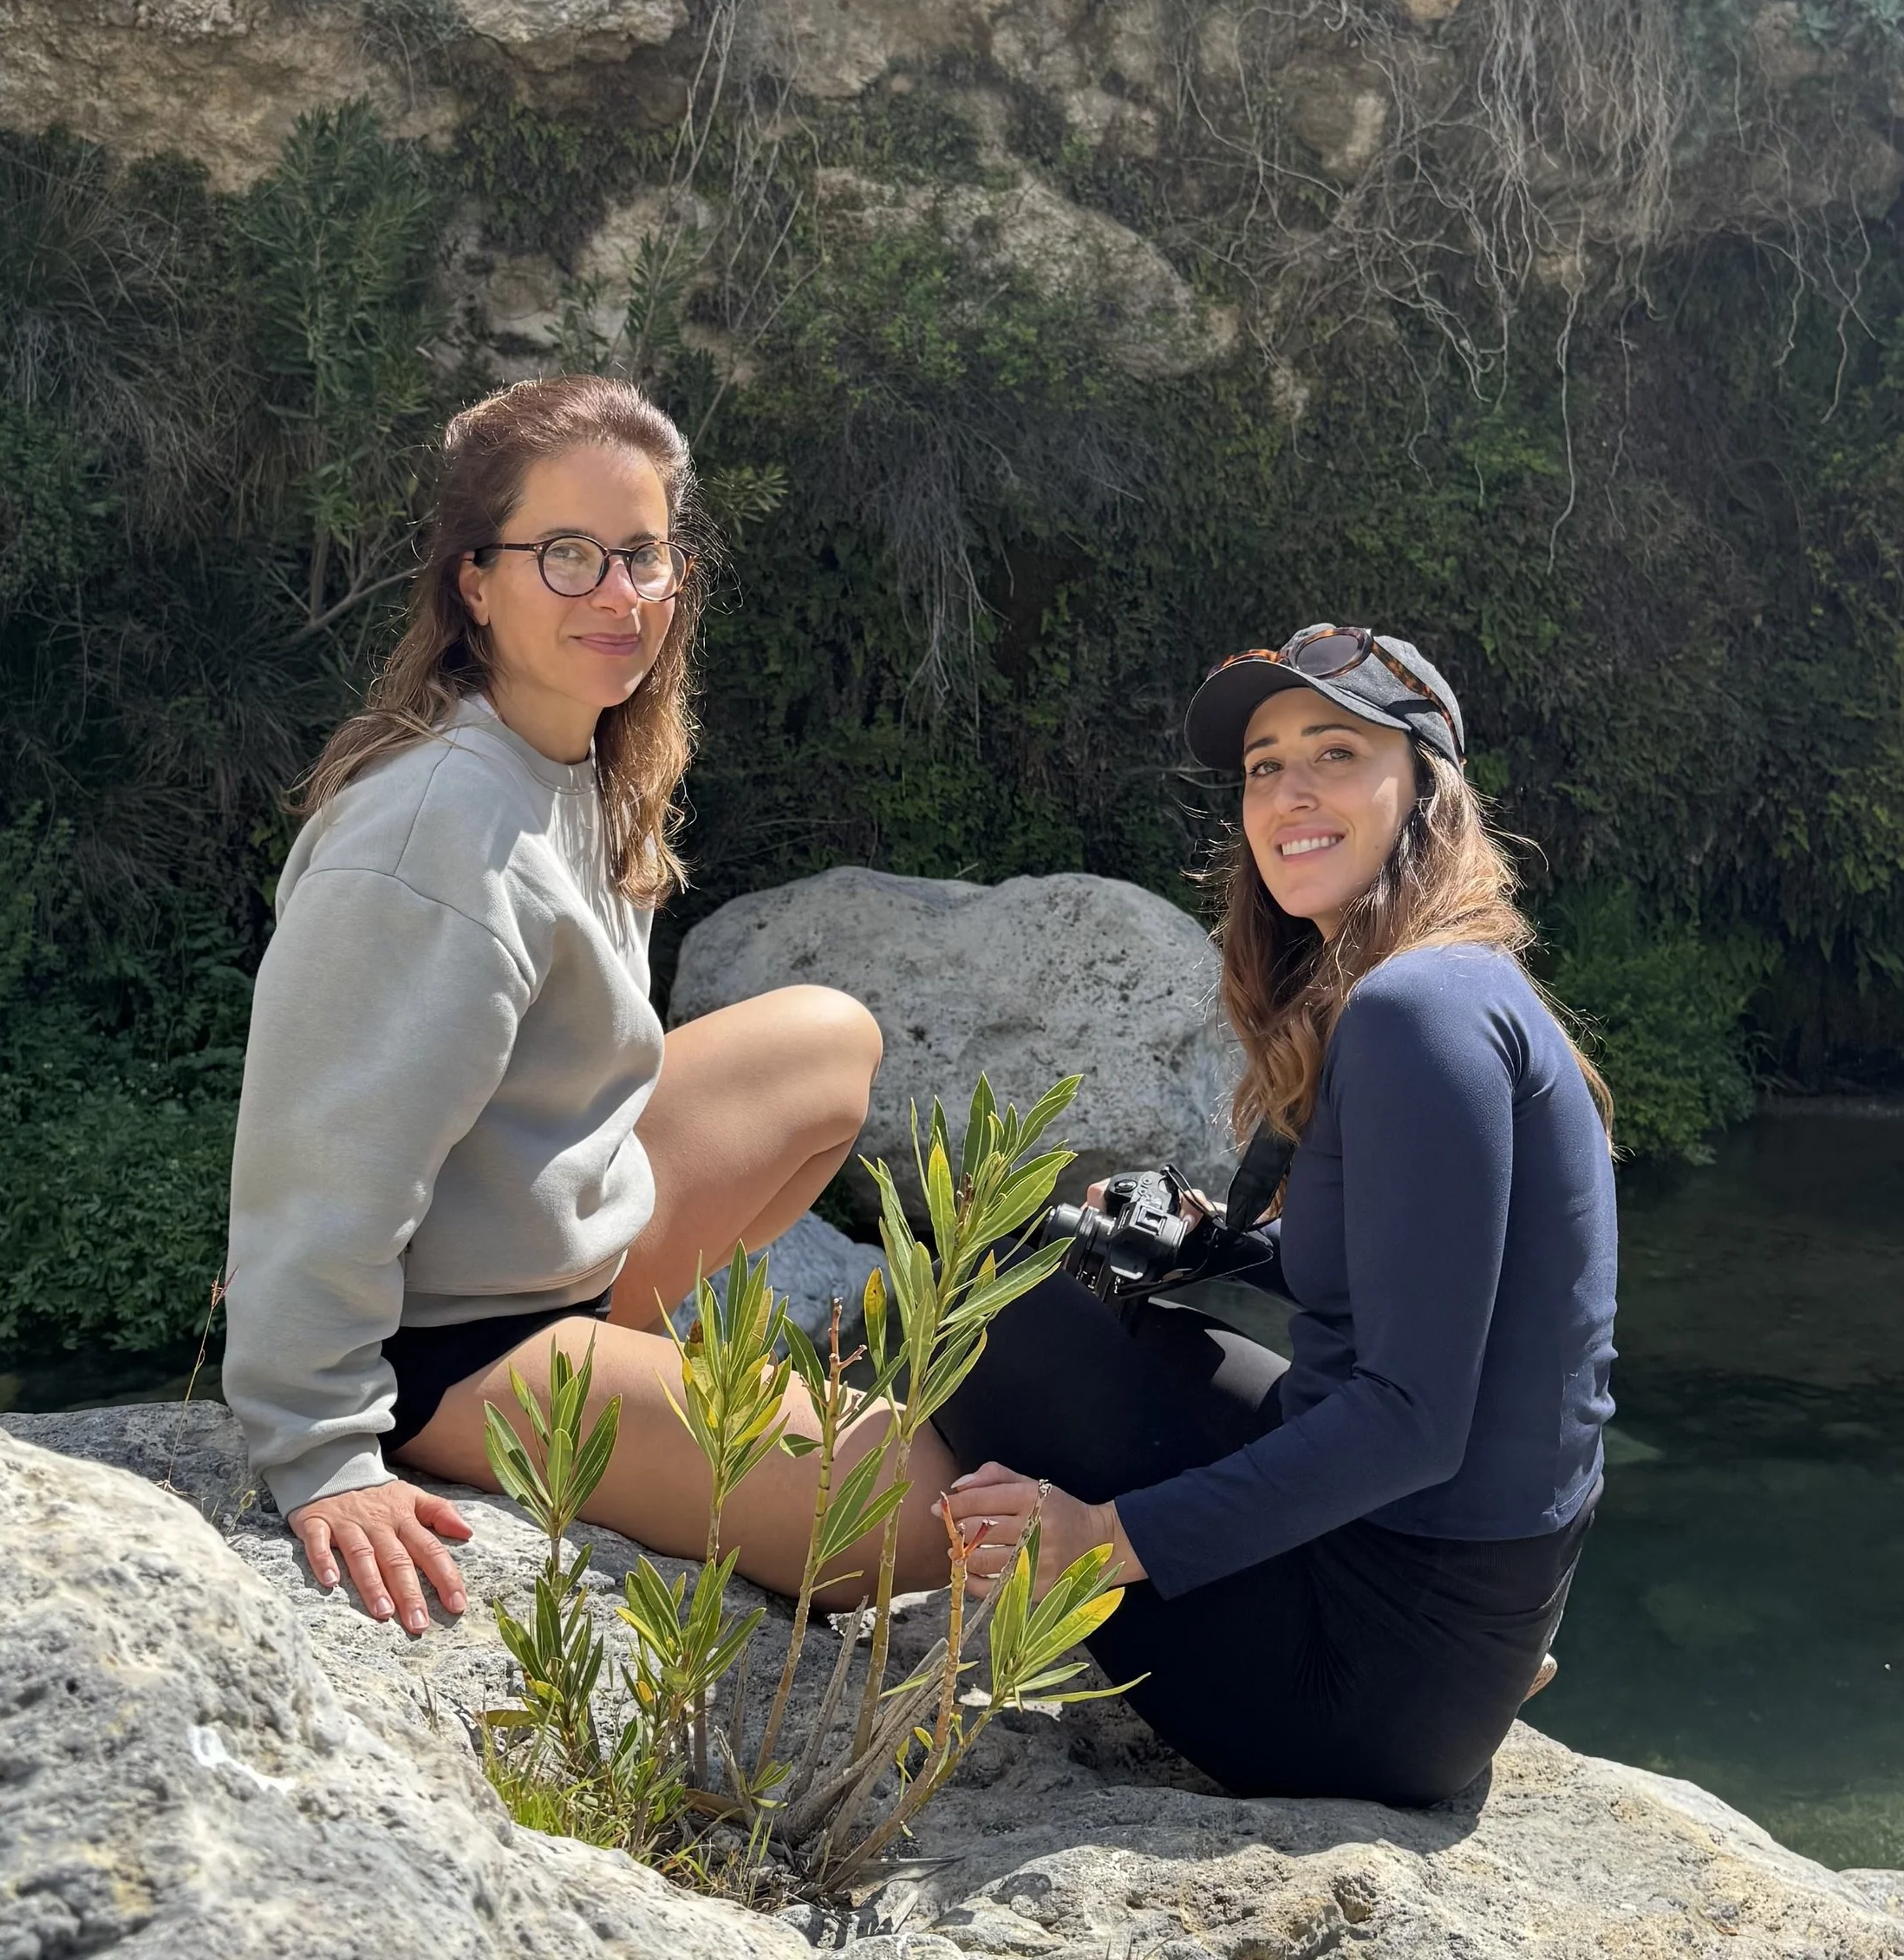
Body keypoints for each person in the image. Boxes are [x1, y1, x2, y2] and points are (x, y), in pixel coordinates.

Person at [223, 374, 959, 1633]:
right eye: (566, 556)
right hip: (444, 1345)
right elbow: (319, 1157)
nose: (618, 597)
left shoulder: (575, 762)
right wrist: (321, 1449)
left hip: (541, 1248)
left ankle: (625, 1369)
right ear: (475, 582)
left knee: (829, 1043)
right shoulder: (429, 834)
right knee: (924, 1513)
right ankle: (581, 1409)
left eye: (643, 555)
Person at [938, 625, 1617, 1805]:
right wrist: (1220, 1241)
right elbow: (1429, 1289)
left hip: (1360, 1694)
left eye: (1337, 753)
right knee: (1107, 1309)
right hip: (1455, 1626)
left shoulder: (1415, 1013)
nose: (1288, 794)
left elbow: (1412, 1421)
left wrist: (1093, 1538)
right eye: (1263, 766)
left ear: (1426, 794)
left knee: (978, 1303)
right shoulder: (1458, 986)